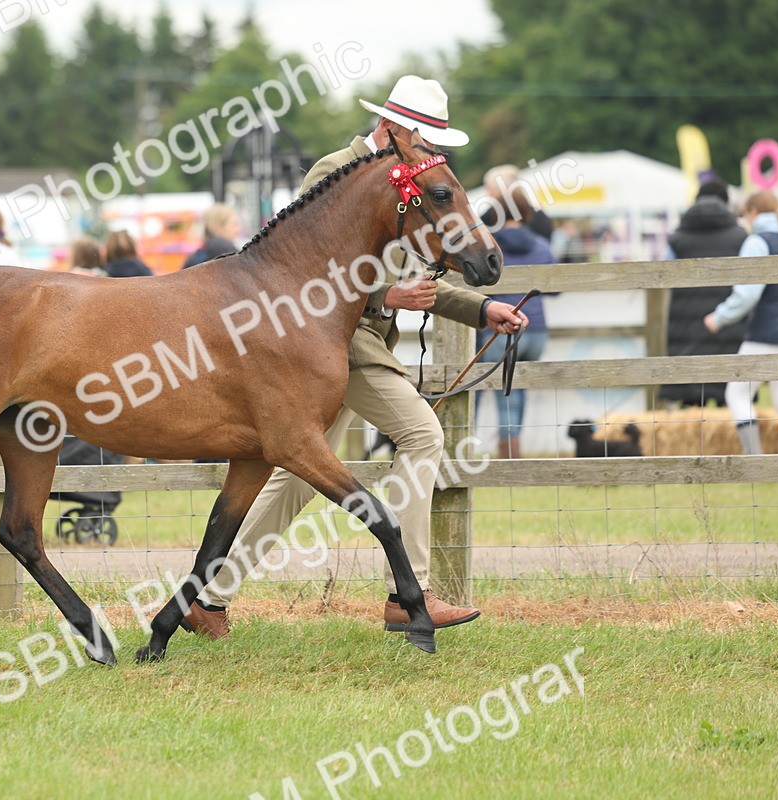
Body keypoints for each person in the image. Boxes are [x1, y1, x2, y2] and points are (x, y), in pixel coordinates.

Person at [185, 75, 527, 639]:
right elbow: (300, 274)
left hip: (349, 349)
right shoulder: (332, 172)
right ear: (392, 128)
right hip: (338, 345)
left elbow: (418, 275)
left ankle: (209, 598)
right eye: (424, 135)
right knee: (422, 435)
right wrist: (383, 297)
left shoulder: (414, 182)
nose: (432, 148)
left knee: (293, 477)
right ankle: (409, 591)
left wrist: (481, 308)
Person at [474, 165, 555, 459]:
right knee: (514, 389)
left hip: (499, 328)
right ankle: (511, 449)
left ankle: (464, 443)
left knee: (477, 386)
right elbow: (557, 286)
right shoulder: (543, 245)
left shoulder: (486, 246)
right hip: (536, 328)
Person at [703, 191, 778, 454]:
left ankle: (755, 460)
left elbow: (747, 293)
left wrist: (719, 317)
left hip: (765, 335)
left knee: (737, 394)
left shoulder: (757, 242)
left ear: (752, 212)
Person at [660, 179, 748, 407]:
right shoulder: (740, 237)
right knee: (729, 398)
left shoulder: (677, 238)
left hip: (685, 324)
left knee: (691, 398)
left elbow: (661, 273)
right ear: (726, 202)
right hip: (727, 323)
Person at [181, 204, 241, 269]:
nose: (238, 229)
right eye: (235, 224)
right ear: (219, 226)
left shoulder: (207, 246)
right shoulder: (220, 245)